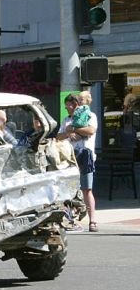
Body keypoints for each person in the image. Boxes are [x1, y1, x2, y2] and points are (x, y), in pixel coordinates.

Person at [56, 91, 98, 232]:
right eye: (67, 105)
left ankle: (93, 221)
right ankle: (71, 220)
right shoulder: (66, 120)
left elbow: (91, 130)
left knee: (87, 189)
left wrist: (74, 129)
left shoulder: (90, 116)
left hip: (85, 155)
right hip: (69, 157)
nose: (68, 108)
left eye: (70, 105)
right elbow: (59, 136)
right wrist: (68, 133)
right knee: (69, 190)